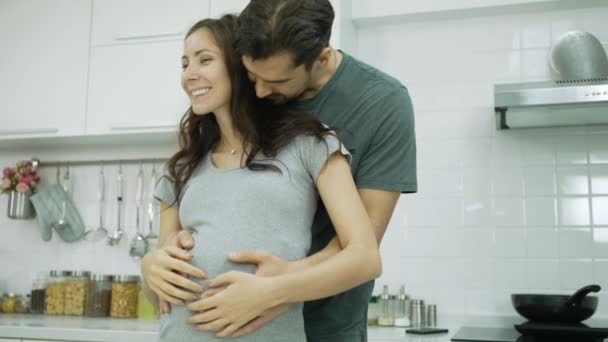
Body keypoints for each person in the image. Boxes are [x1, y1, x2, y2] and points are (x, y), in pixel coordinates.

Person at [142, 0, 417, 340]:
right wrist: (149, 267)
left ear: (320, 58)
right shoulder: (186, 164)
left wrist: (273, 289)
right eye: (252, 76)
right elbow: (160, 277)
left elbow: (362, 251)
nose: (260, 91)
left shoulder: (345, 123)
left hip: (325, 319)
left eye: (275, 80)